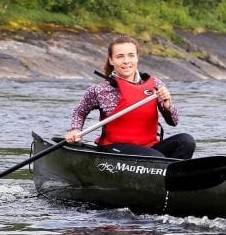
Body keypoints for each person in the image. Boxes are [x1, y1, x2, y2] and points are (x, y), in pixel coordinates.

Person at [65, 35, 196, 159]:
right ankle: (163, 171)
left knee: (186, 141)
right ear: (111, 60)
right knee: (155, 158)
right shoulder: (100, 90)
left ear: (137, 58)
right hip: (115, 149)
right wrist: (75, 130)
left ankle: (174, 175)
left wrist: (167, 105)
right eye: (120, 56)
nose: (126, 61)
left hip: (150, 148)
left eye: (131, 55)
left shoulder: (155, 85)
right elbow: (79, 112)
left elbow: (174, 121)